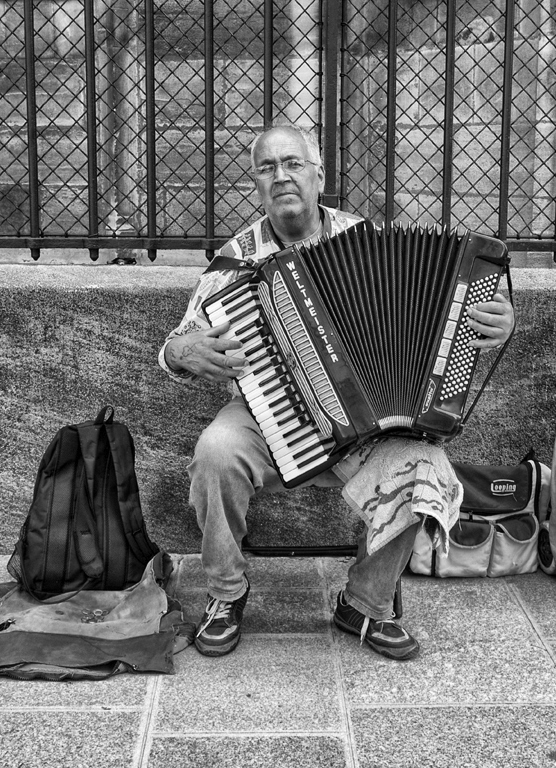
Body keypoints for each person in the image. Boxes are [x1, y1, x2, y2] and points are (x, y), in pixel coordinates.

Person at [158, 125, 514, 660]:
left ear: (318, 174)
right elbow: (175, 344)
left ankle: (364, 604)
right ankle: (227, 594)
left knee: (426, 465)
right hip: (268, 417)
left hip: (368, 425)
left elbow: (438, 315)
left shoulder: (363, 240)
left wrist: (494, 323)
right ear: (256, 183)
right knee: (215, 451)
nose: (281, 175)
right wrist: (180, 353)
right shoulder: (233, 261)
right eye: (267, 167)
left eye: (293, 163)